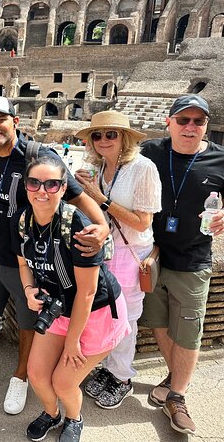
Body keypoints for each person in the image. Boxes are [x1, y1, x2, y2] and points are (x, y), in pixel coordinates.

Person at [0, 96, 108, 413]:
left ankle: (20, 378)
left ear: (15, 122)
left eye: (0, 120)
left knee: (27, 323)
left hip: (29, 259)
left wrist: (102, 226)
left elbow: (76, 196)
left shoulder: (38, 156)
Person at [12, 155, 130, 442]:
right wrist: (29, 291)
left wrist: (73, 340)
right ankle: (52, 414)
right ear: (26, 187)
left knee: (64, 382)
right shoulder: (24, 221)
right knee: (37, 375)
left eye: (52, 184)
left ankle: (74, 419)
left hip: (97, 313)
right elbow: (23, 263)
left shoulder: (77, 225)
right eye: (34, 183)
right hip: (59, 309)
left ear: (64, 189)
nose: (42, 190)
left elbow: (87, 292)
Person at [137, 94, 224, 435]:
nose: (191, 127)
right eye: (183, 120)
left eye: (198, 121)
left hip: (193, 259)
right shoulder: (149, 151)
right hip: (153, 257)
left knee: (188, 331)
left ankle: (177, 395)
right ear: (169, 122)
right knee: (158, 322)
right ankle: (176, 379)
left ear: (206, 126)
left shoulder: (220, 159)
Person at [73, 111, 162, 410]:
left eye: (111, 134)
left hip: (129, 252)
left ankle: (122, 376)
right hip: (106, 250)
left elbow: (141, 222)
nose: (103, 140)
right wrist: (80, 190)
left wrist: (100, 198)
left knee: (125, 316)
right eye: (96, 135)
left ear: (124, 138)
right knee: (103, 312)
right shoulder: (96, 169)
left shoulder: (143, 168)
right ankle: (108, 367)